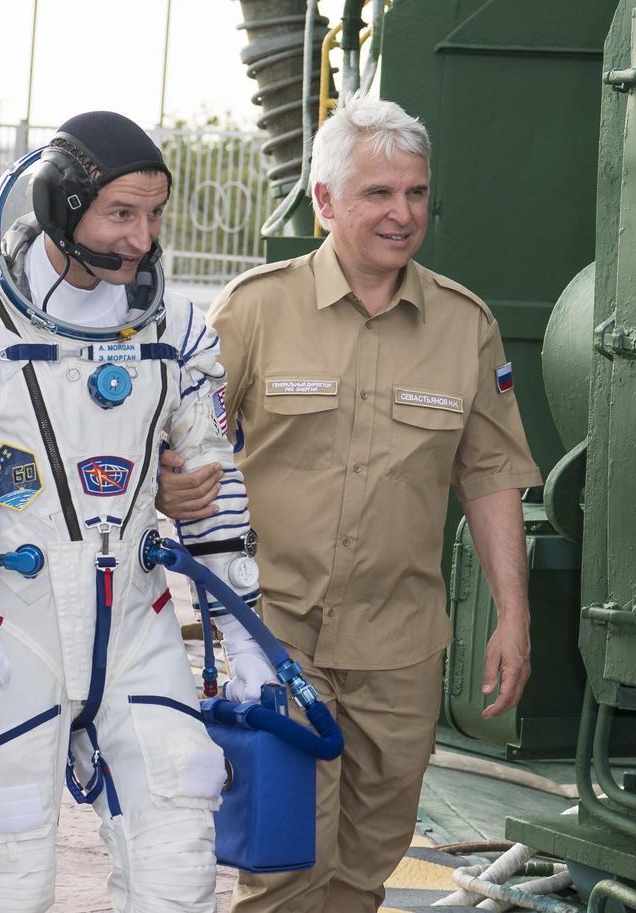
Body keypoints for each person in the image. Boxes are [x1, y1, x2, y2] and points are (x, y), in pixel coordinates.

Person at [0, 111, 273, 913]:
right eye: (121, 213)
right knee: (8, 868)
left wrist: (245, 634)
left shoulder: (178, 335)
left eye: (154, 215)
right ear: (60, 205)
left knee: (180, 844)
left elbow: (214, 483)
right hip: (5, 622)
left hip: (136, 626)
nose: (141, 239)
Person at [160, 92, 540, 913]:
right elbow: (185, 440)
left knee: (368, 865)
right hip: (277, 631)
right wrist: (170, 482)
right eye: (378, 193)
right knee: (286, 864)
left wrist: (514, 614)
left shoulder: (464, 326)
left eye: (416, 193)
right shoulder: (256, 309)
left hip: (399, 648)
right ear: (327, 201)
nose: (403, 214)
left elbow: (490, 475)